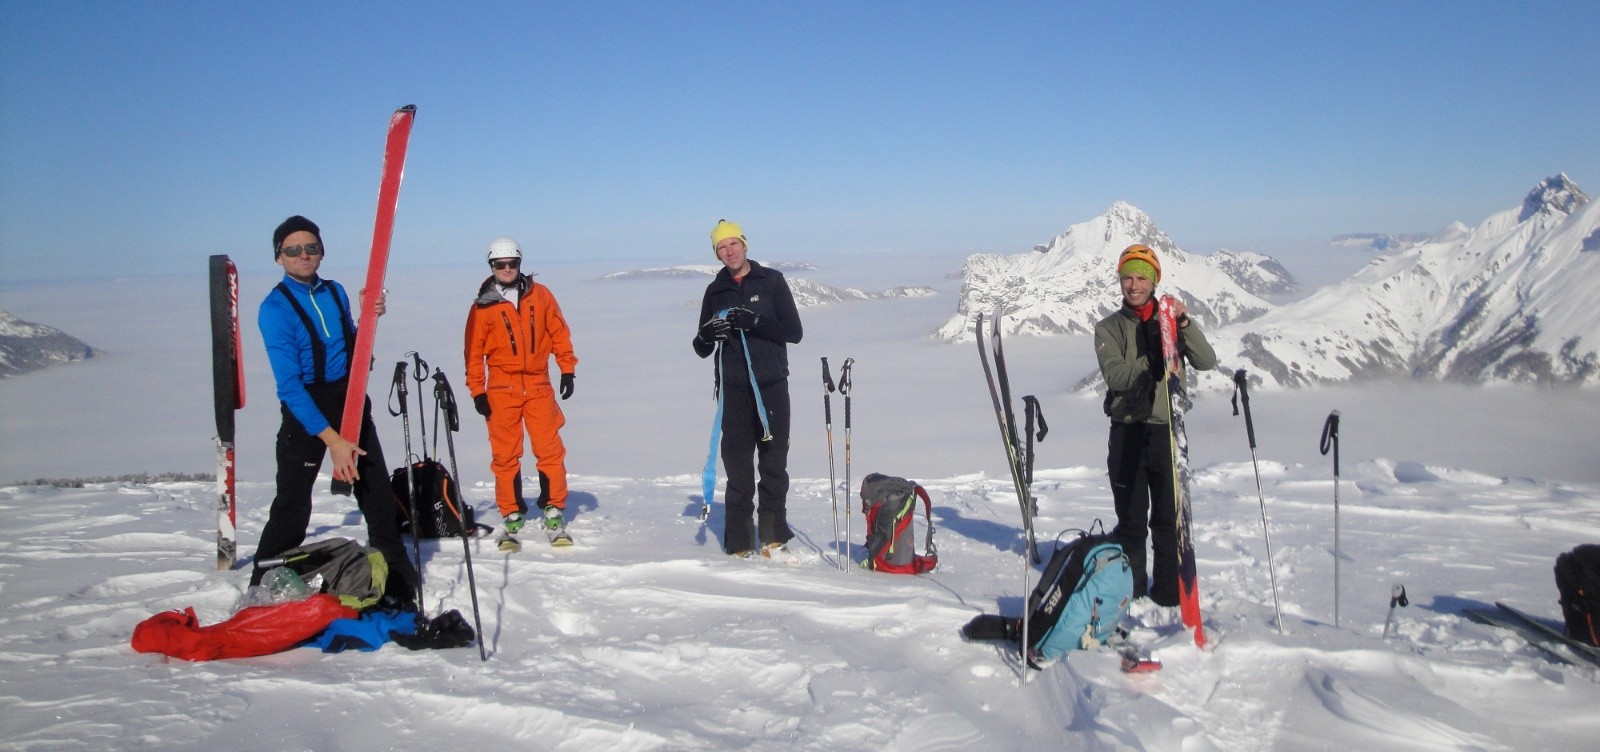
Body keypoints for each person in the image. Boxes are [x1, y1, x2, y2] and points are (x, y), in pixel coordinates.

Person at [255, 215, 419, 603]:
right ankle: (263, 589)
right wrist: (333, 441)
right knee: (292, 506)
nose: (304, 255)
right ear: (279, 257)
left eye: (311, 247)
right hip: (306, 412)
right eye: (293, 250)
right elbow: (289, 386)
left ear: (322, 251)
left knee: (377, 497)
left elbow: (354, 353)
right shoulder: (274, 309)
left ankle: (396, 581)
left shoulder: (335, 292)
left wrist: (368, 317)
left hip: (349, 399)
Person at [1093, 243, 1216, 606]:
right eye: (1127, 278)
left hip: (1166, 432)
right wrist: (1157, 360)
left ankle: (1167, 593)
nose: (1133, 286)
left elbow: (1207, 360)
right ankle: (1131, 592)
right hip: (1128, 429)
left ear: (1154, 281)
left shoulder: (1171, 322)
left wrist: (1183, 325)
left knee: (1167, 521)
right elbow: (1116, 375)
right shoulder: (1108, 328)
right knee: (1130, 521)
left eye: (1141, 278)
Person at [692, 219, 804, 558]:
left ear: (745, 244)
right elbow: (700, 346)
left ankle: (772, 536)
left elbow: (793, 332)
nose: (729, 252)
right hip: (734, 392)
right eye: (721, 248)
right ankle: (739, 541)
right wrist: (708, 335)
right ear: (716, 254)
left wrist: (756, 323)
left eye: (733, 244)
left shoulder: (771, 281)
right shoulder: (715, 291)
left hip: (771, 388)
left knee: (773, 464)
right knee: (737, 466)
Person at [463, 237, 577, 547]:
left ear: (520, 264)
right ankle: (511, 512)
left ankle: (553, 508)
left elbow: (558, 331)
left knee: (549, 448)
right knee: (505, 454)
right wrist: (477, 390)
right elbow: (473, 352)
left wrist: (567, 367)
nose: (507, 269)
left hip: (538, 383)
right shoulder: (483, 306)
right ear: (492, 266)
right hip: (501, 386)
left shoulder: (540, 295)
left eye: (512, 263)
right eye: (501, 265)